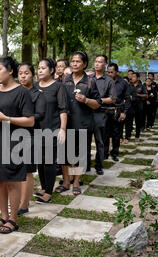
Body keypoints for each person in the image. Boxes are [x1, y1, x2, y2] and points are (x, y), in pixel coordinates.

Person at [0, 56, 35, 233]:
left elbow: (30, 121)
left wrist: (7, 119)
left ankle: (13, 218)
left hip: (14, 142)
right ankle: (3, 216)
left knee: (12, 181)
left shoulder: (22, 92)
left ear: (10, 71)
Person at [60, 51, 101, 195]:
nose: (74, 64)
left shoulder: (90, 81)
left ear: (84, 64)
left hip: (83, 123)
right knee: (64, 153)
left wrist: (85, 100)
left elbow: (97, 104)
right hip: (66, 123)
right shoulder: (65, 80)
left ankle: (76, 182)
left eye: (78, 61)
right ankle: (66, 182)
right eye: (73, 61)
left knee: (79, 154)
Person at [34, 58, 68, 203]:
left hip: (52, 128)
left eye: (43, 68)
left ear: (52, 70)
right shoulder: (34, 86)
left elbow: (63, 109)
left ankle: (48, 192)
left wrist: (62, 129)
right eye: (39, 68)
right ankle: (43, 187)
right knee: (40, 162)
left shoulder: (58, 86)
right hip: (36, 129)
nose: (40, 70)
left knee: (49, 161)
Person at [18, 62, 46, 211]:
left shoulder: (38, 94)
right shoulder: (15, 92)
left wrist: (20, 118)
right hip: (14, 135)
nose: (23, 76)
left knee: (27, 171)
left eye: (26, 73)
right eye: (20, 73)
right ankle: (17, 201)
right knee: (16, 169)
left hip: (31, 135)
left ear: (33, 75)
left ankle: (24, 204)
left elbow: (39, 115)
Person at [89, 55, 116, 174]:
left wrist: (99, 101)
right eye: (96, 61)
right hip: (87, 113)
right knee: (84, 141)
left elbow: (113, 98)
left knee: (100, 141)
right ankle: (85, 165)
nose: (97, 64)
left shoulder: (109, 80)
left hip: (100, 114)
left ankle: (99, 166)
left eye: (100, 62)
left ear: (105, 65)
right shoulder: (88, 78)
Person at [106, 63, 130, 159]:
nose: (110, 74)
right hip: (106, 110)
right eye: (108, 72)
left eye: (112, 72)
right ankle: (104, 153)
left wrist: (124, 112)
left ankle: (115, 153)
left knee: (117, 134)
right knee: (105, 133)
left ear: (116, 72)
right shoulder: (105, 81)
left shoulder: (123, 83)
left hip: (117, 110)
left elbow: (128, 98)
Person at [125, 72, 147, 142]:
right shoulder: (129, 85)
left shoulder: (142, 86)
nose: (132, 77)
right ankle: (127, 136)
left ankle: (137, 135)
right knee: (128, 122)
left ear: (138, 78)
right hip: (130, 106)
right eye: (131, 76)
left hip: (139, 106)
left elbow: (146, 95)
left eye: (134, 76)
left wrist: (138, 95)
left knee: (138, 122)